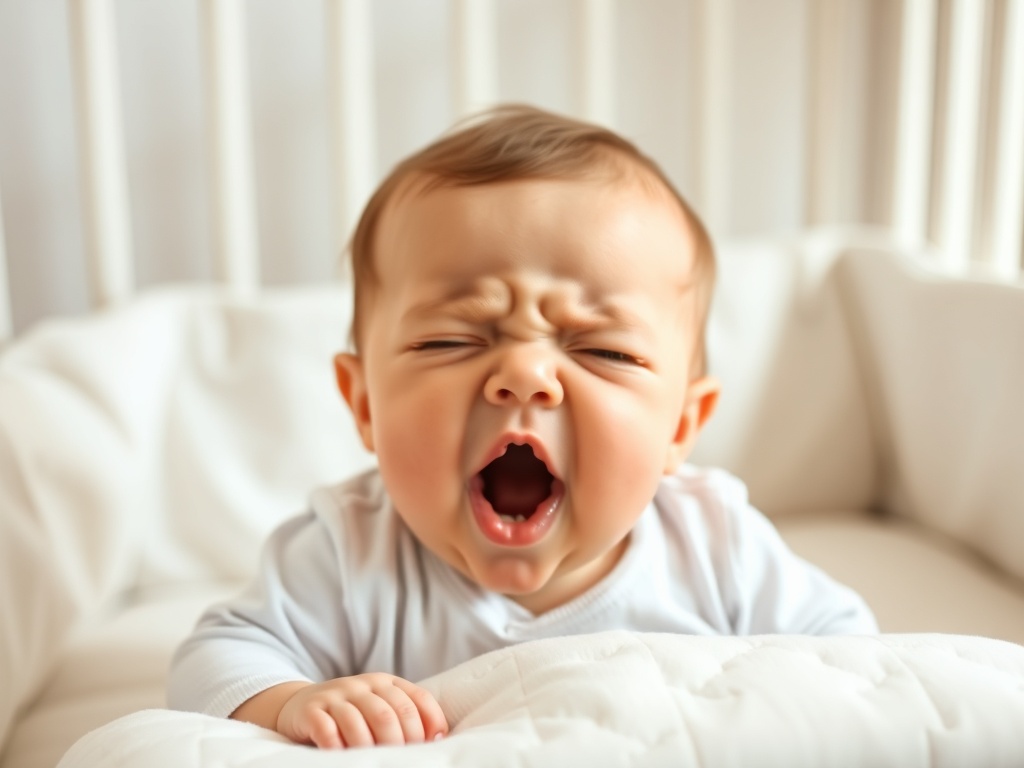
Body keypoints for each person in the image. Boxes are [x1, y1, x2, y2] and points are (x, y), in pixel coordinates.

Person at [167, 104, 877, 749]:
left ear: (681, 427)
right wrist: (294, 699)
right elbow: (215, 660)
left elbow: (852, 659)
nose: (526, 375)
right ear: (365, 407)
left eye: (604, 350)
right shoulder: (350, 556)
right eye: (450, 341)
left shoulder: (717, 550)